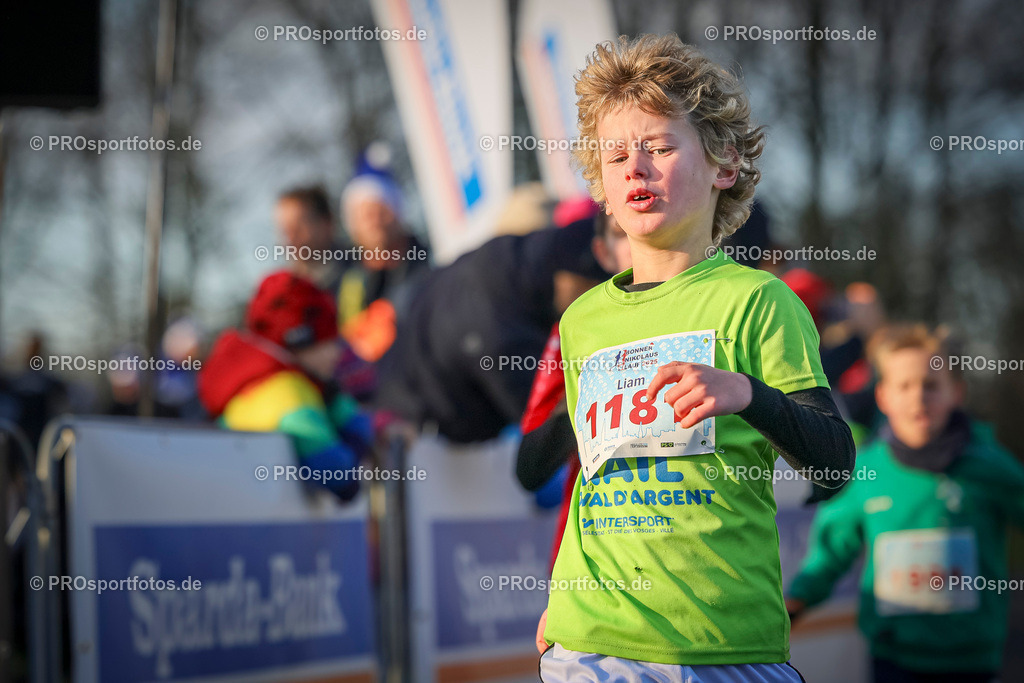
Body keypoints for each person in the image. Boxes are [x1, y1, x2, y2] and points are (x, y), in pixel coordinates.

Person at [536, 34, 855, 682]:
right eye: (617, 154)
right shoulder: (581, 321)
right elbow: (593, 479)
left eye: (658, 147)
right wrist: (558, 596)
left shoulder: (759, 301)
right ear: (602, 187)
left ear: (723, 165)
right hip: (590, 641)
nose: (635, 167)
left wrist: (747, 394)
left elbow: (835, 464)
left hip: (723, 644)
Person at [786, 324, 1024, 683]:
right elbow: (831, 552)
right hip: (893, 661)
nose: (918, 398)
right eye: (905, 386)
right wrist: (796, 602)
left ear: (956, 392)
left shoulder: (989, 465)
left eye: (931, 385)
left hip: (973, 659)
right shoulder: (866, 471)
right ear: (883, 396)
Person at [374, 215, 608, 445]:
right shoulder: (500, 320)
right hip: (417, 429)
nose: (591, 305)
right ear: (569, 276)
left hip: (416, 403)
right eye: (592, 289)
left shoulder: (513, 259)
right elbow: (545, 422)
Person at [197, 271, 372, 500]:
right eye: (328, 341)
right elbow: (337, 473)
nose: (337, 353)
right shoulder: (289, 393)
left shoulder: (252, 382)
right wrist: (357, 435)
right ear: (299, 340)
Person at [338, 143, 430, 362]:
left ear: (397, 214)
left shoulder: (430, 264)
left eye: (381, 210)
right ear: (353, 227)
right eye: (364, 214)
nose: (374, 221)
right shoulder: (349, 287)